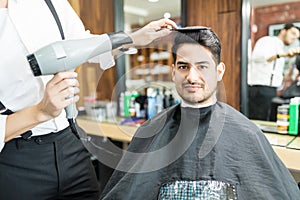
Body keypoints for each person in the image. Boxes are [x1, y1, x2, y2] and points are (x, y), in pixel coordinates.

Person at [0, 0, 177, 199]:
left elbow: (86, 46)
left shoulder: (50, 3)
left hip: (70, 146)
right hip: (14, 161)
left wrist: (134, 38)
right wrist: (39, 112)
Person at [100, 27, 300, 199]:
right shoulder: (151, 130)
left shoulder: (247, 133)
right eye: (183, 67)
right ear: (173, 72)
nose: (192, 77)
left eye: (202, 66)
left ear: (219, 71)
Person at [248, 23, 300, 121]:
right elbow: (259, 57)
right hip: (260, 89)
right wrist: (283, 55)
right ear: (283, 31)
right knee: (258, 121)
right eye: (293, 33)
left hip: (271, 90)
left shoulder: (281, 48)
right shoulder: (267, 41)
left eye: (296, 37)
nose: (294, 38)